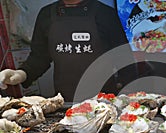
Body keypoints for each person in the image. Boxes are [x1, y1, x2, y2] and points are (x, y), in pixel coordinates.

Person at [0, 0, 137, 101]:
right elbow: (39, 58)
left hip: (104, 101)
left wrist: (128, 95)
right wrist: (20, 74)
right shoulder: (46, 15)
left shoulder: (105, 14)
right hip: (66, 102)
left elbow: (125, 61)